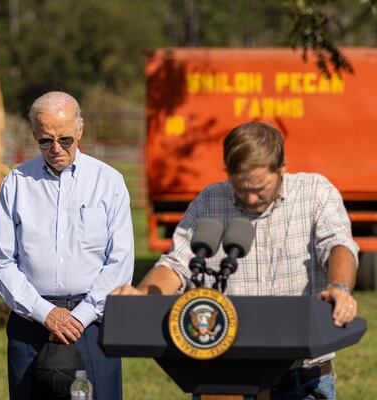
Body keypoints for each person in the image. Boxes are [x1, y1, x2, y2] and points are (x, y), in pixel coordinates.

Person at [113, 121, 358, 399]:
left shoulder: (315, 192)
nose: (251, 199)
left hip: (301, 380)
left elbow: (338, 245)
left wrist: (340, 288)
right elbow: (177, 264)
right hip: (223, 377)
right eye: (241, 188)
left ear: (282, 167)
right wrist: (143, 296)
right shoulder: (209, 201)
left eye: (260, 188)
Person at [0, 91, 134, 400]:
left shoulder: (109, 182)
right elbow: (1, 263)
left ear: (80, 130)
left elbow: (119, 263)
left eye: (65, 139)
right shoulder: (16, 183)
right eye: (45, 141)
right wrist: (46, 313)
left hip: (93, 326)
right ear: (34, 135)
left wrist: (79, 317)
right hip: (31, 324)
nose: (56, 149)